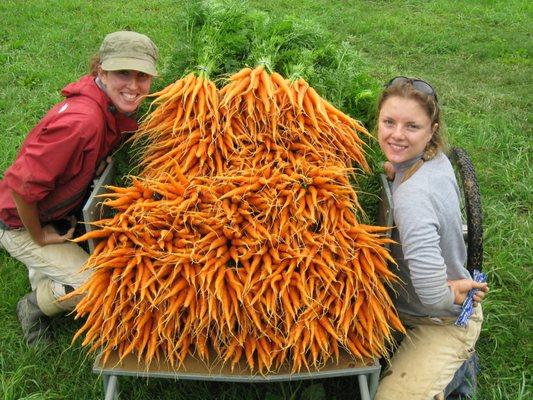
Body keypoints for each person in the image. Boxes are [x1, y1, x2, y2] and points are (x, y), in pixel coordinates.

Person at [0, 31, 158, 346]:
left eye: (143, 76)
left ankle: (47, 269)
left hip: (54, 208)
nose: (134, 86)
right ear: (100, 70)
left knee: (74, 263)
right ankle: (33, 306)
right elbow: (21, 187)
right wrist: (39, 235)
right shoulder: (81, 123)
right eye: (123, 73)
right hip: (19, 222)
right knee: (101, 284)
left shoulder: (107, 104)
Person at [373, 76, 489, 400]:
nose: (397, 134)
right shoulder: (431, 159)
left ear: (431, 129)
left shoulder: (413, 200)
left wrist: (447, 291)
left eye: (411, 127)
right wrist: (395, 169)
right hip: (426, 305)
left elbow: (434, 297)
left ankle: (458, 368)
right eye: (389, 122)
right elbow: (404, 167)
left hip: (442, 318)